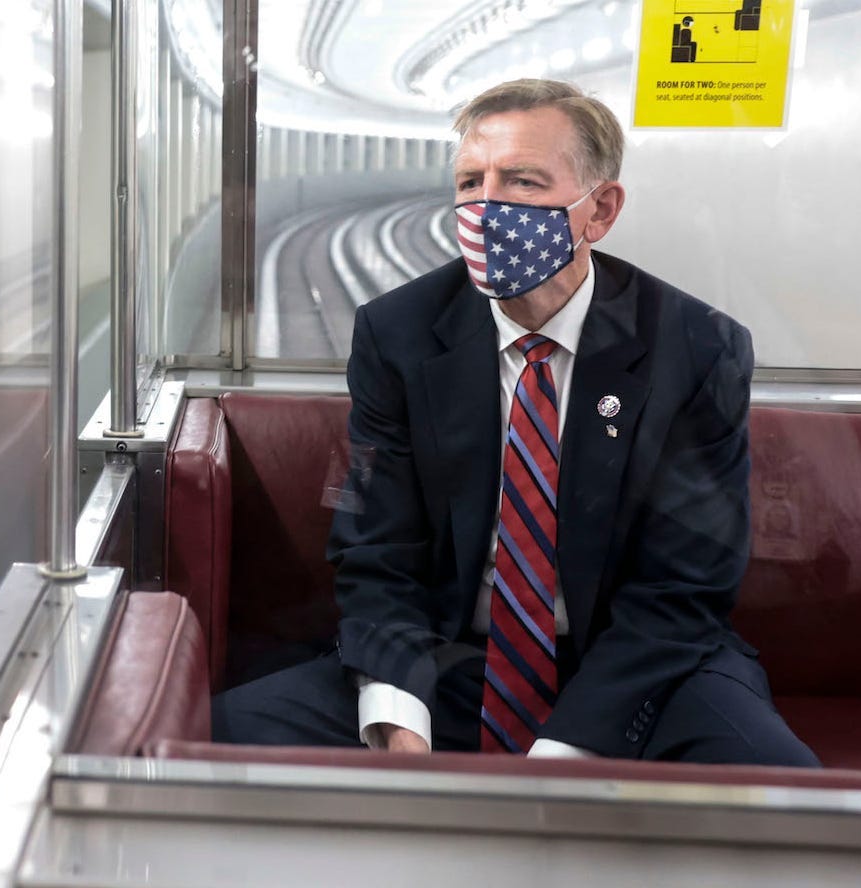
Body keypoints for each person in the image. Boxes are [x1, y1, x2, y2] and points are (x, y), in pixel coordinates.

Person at [213, 79, 817, 767]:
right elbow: (376, 551)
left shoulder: (695, 347)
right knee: (214, 739)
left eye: (523, 181)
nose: (487, 207)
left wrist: (567, 749)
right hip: (448, 658)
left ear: (601, 210)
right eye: (470, 182)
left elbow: (684, 587)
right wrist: (398, 715)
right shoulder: (400, 334)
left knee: (778, 783)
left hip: (639, 666)